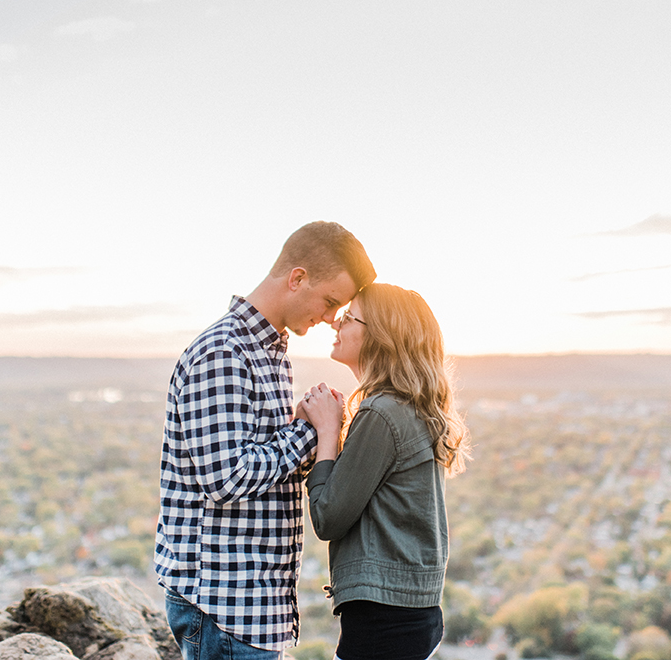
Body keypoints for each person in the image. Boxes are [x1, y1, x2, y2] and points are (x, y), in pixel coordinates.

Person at [155, 222, 375, 660]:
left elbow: (265, 464)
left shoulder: (269, 353)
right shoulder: (224, 352)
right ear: (297, 278)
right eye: (330, 301)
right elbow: (226, 478)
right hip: (223, 605)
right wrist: (310, 430)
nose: (333, 317)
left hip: (250, 608)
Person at [297, 283, 470, 660]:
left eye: (347, 317)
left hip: (384, 619)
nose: (335, 325)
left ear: (378, 336)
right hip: (412, 612)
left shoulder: (381, 412)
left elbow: (328, 517)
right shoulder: (410, 407)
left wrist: (328, 432)